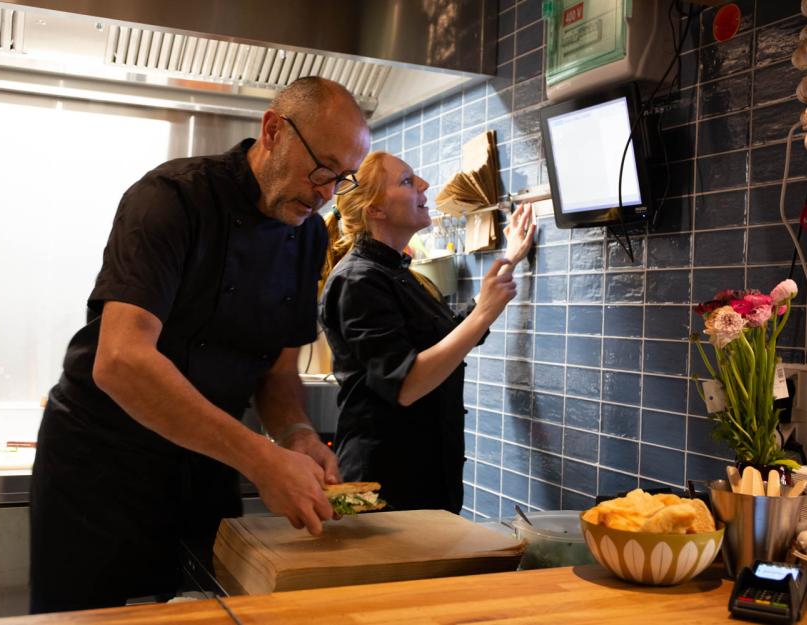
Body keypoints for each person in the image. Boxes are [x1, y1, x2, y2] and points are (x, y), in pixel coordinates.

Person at [30, 77, 370, 613]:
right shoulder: (171, 199)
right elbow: (120, 360)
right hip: (102, 469)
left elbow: (278, 373)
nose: (328, 192)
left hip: (207, 461)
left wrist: (297, 434)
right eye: (323, 167)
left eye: (342, 179)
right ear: (273, 129)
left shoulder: (309, 235)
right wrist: (261, 457)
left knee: (208, 611)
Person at [318, 152, 534, 513]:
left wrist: (509, 258)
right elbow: (406, 385)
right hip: (384, 484)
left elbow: (448, 336)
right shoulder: (358, 280)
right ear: (376, 210)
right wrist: (484, 313)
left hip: (426, 476)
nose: (424, 185)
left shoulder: (398, 274)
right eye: (407, 181)